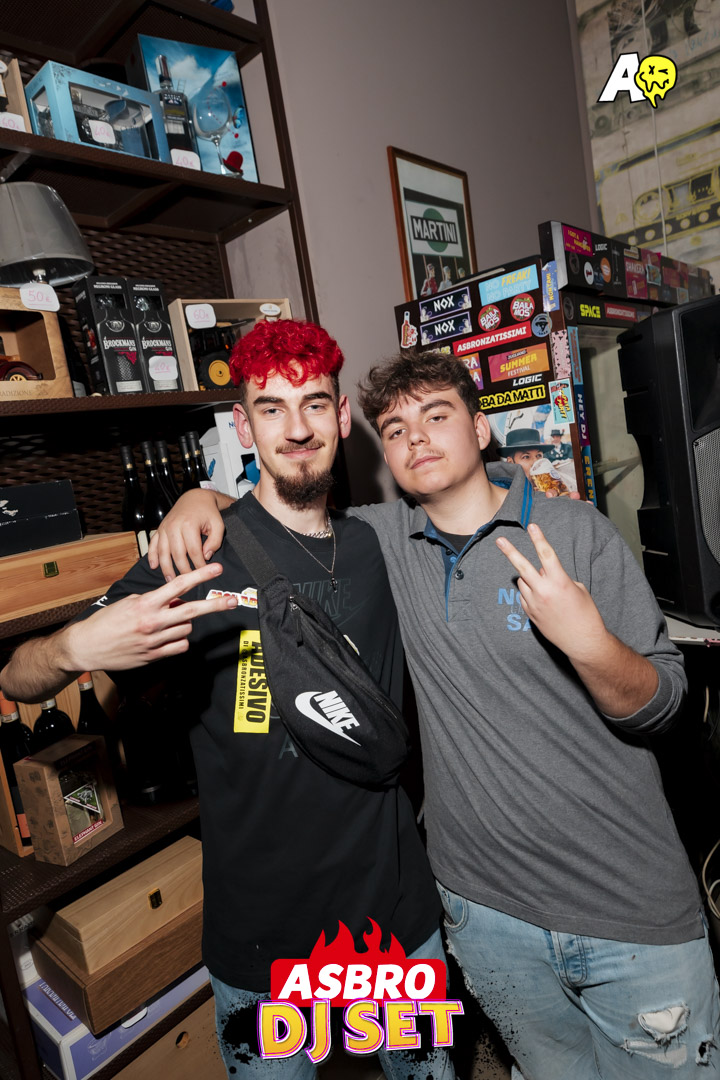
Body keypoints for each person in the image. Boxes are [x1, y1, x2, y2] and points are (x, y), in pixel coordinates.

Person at [152, 341, 720, 1079]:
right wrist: (200, 498)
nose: (415, 437)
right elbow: (283, 505)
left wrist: (590, 645)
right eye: (395, 428)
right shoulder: (380, 543)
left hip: (627, 910)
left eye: (437, 415)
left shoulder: (572, 532)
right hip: (484, 914)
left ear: (481, 429)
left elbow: (665, 706)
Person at [0, 324, 453, 1080]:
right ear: (243, 427)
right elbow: (17, 676)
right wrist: (74, 648)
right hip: (264, 937)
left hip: (393, 918)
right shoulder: (194, 555)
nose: (297, 429)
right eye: (271, 409)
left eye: (314, 404)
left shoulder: (382, 544)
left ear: (344, 417)